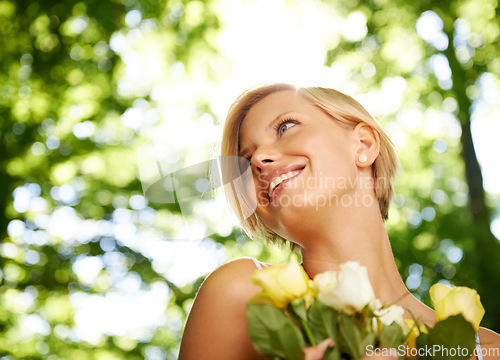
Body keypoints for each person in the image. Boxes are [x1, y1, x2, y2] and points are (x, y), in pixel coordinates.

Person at [178, 83, 500, 360]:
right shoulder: (242, 295)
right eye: (246, 163)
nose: (259, 160)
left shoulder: (486, 349)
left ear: (363, 145)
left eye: (285, 127)